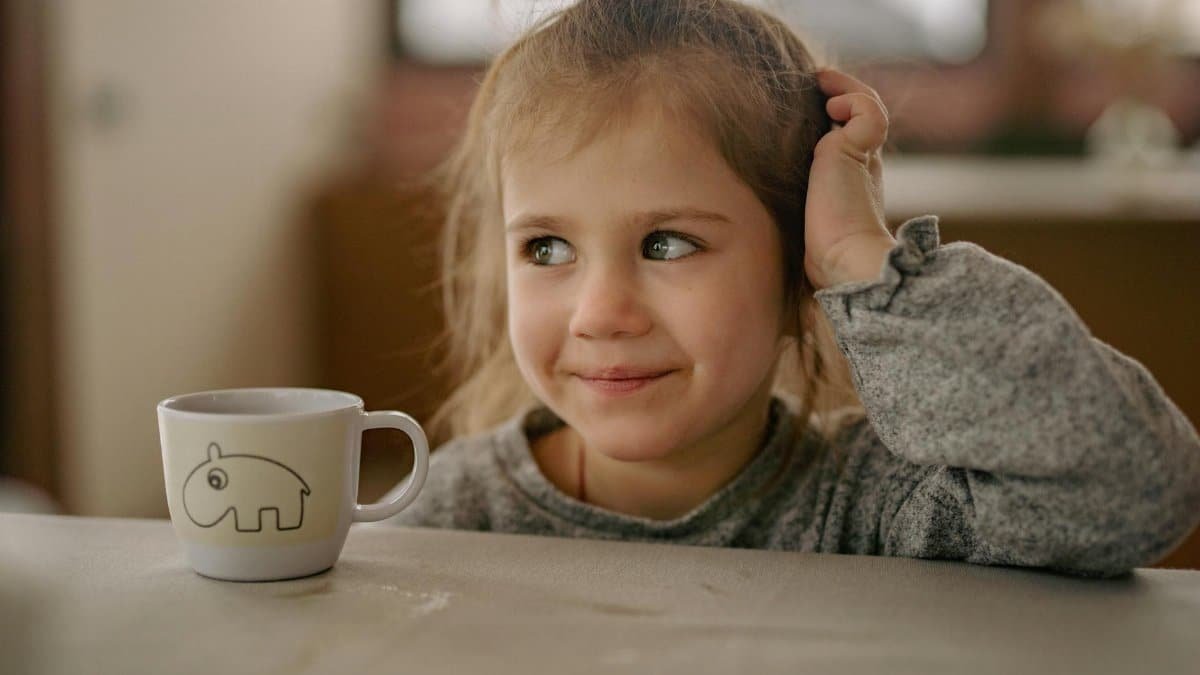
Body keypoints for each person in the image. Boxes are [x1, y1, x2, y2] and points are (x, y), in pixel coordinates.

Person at [380, 0, 1200, 578]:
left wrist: (861, 262)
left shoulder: (871, 509)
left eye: (667, 243)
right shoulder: (459, 510)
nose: (601, 314)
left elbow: (1138, 489)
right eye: (548, 246)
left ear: (795, 272)